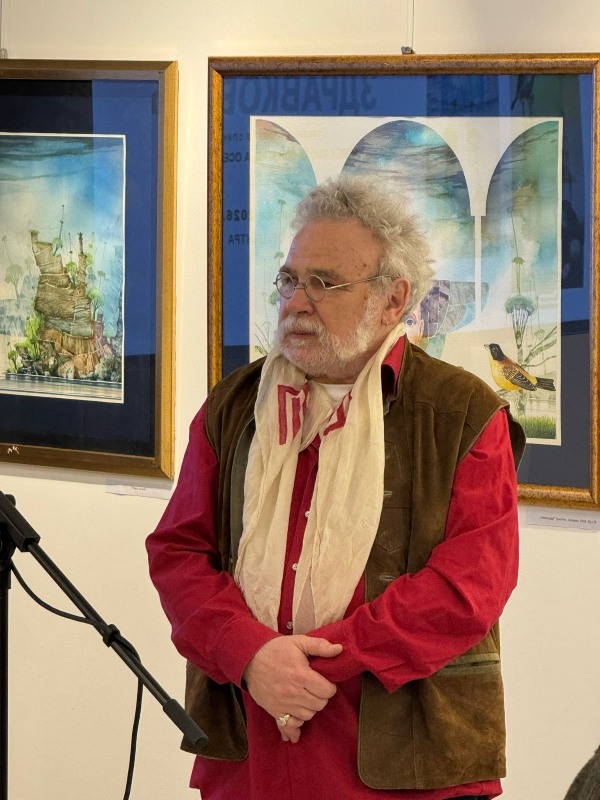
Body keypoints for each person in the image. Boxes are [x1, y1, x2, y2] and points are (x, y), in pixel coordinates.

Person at [146, 174, 525, 800]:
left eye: (324, 283)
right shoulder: (234, 406)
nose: (297, 302)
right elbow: (179, 552)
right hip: (252, 749)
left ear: (392, 298)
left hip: (408, 762)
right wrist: (251, 655)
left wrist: (319, 661)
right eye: (290, 279)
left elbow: (469, 586)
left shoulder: (461, 412)